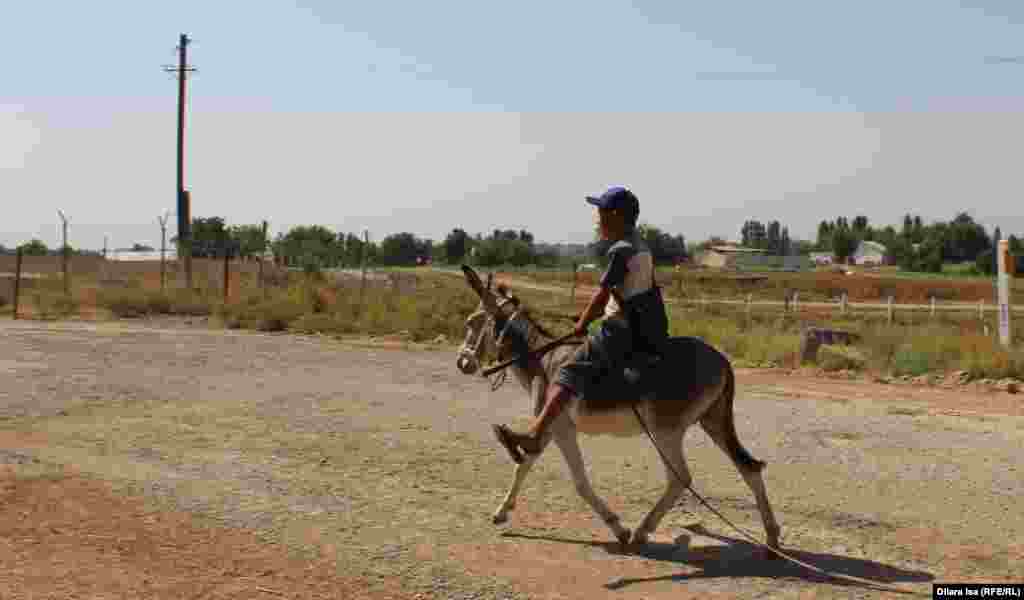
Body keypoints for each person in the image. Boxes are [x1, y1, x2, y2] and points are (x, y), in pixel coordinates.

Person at [492, 186, 670, 463]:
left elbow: (602, 296)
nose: (597, 221)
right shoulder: (641, 245)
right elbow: (631, 293)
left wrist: (583, 324)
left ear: (615, 215)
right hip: (644, 326)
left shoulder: (621, 250)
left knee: (567, 371)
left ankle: (535, 434)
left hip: (621, 330)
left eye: (600, 213)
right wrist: (588, 317)